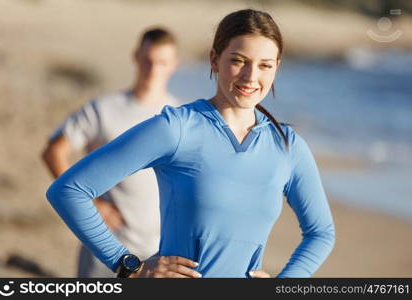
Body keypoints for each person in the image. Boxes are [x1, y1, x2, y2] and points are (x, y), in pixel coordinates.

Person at [46, 9, 335, 278]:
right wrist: (129, 266)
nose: (251, 77)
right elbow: (69, 191)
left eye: (264, 65)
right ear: (214, 59)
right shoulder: (177, 128)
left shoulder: (287, 146)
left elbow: (321, 233)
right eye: (238, 61)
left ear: (276, 69)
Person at [42, 27, 180, 277]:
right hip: (105, 247)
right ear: (136, 57)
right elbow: (54, 151)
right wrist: (94, 205)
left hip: (159, 252)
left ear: (173, 65)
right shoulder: (104, 109)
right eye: (147, 60)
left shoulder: (179, 115)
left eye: (162, 62)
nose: (153, 69)